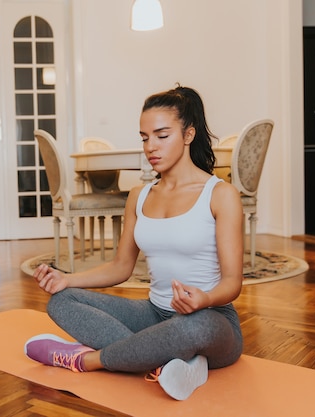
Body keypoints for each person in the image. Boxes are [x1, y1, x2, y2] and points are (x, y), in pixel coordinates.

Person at [24, 85, 245, 401]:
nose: (150, 147)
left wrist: (204, 299)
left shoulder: (221, 195)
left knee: (192, 329)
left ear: (188, 134)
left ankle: (86, 360)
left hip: (211, 321)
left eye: (161, 135)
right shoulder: (139, 197)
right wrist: (67, 279)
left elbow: (233, 283)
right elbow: (121, 267)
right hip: (154, 315)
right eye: (144, 137)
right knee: (62, 301)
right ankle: (173, 362)